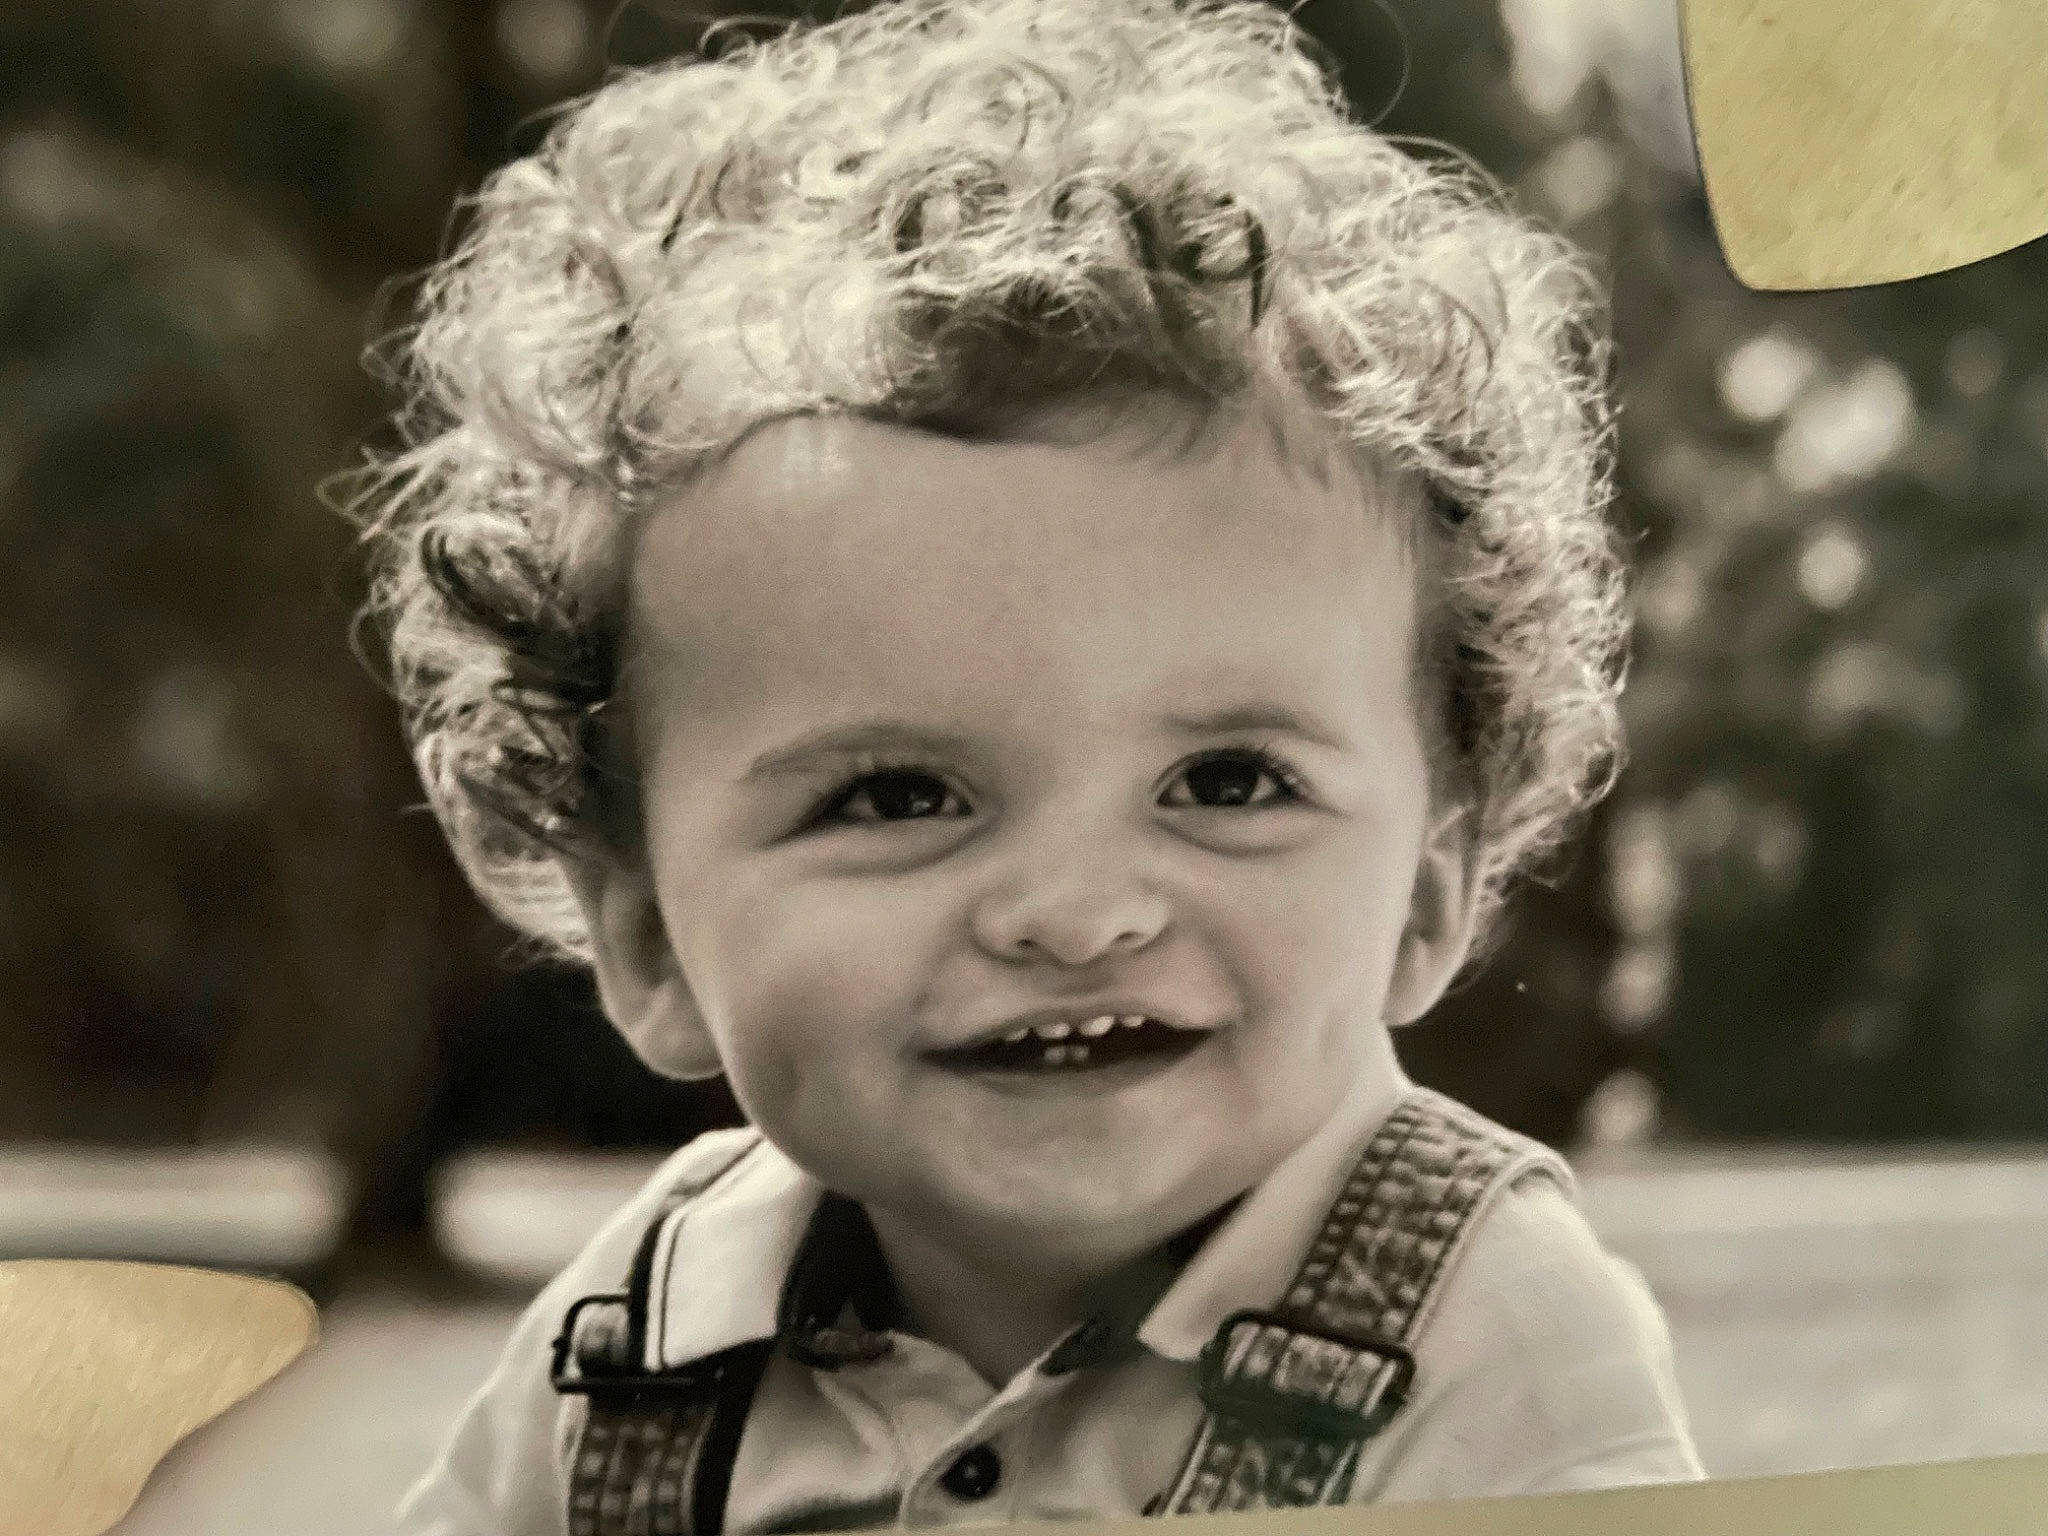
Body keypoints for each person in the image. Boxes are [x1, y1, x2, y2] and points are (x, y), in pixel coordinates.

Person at [350, 1, 1703, 1530]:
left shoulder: (1489, 1338)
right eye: (896, 797)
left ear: (1433, 886)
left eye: (1228, 783)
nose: (1073, 911)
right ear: (645, 933)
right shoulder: (633, 1353)